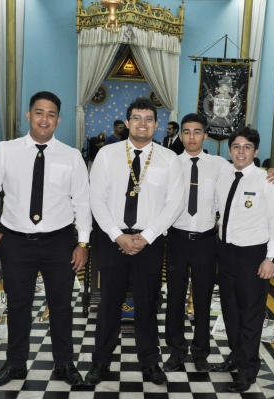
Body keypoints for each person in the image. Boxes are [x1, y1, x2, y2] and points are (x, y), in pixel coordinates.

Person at [0, 91, 92, 388]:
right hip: (14, 241)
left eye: (51, 114)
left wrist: (82, 243)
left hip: (59, 242)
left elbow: (82, 202)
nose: (45, 119)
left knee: (62, 306)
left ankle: (64, 363)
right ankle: (15, 364)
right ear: (28, 116)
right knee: (17, 305)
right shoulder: (5, 151)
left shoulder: (71, 156)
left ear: (59, 120)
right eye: (39, 112)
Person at [163, 114, 274, 374]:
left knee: (204, 298)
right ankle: (176, 350)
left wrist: (273, 172)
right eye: (186, 132)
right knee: (174, 297)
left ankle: (201, 351)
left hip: (207, 241)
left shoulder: (220, 165)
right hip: (176, 239)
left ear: (206, 135)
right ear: (180, 135)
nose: (192, 137)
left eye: (197, 132)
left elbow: (249, 172)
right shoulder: (169, 163)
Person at [87, 97, 184, 386]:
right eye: (137, 117)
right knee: (109, 303)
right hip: (112, 239)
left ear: (157, 124)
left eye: (149, 118)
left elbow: (174, 203)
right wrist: (118, 235)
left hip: (150, 242)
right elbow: (96, 198)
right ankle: (101, 362)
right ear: (127, 122)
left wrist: (147, 237)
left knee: (147, 303)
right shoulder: (107, 154)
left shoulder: (168, 159)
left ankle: (150, 362)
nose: (143, 123)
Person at [211, 126, 274, 393]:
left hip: (253, 255)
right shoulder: (223, 175)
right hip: (227, 252)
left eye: (246, 147)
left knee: (251, 314)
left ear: (255, 151)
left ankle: (248, 369)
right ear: (229, 149)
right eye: (236, 146)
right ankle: (236, 354)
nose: (240, 151)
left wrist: (272, 258)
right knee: (230, 311)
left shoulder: (268, 180)